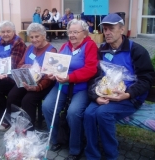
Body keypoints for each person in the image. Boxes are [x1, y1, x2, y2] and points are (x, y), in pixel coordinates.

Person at [84, 13, 155, 160]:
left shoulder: (137, 50)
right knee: (89, 113)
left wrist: (128, 94)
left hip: (130, 98)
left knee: (103, 114)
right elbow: (95, 77)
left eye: (111, 28)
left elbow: (147, 78)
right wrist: (96, 96)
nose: (107, 32)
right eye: (105, 29)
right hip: (106, 95)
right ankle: (92, 155)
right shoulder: (102, 49)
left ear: (122, 30)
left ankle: (111, 156)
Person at [42, 19, 98, 160]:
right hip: (62, 85)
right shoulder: (65, 46)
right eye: (70, 32)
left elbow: (91, 69)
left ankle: (75, 148)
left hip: (81, 87)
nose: (72, 35)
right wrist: (52, 74)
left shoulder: (90, 46)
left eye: (75, 32)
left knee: (73, 113)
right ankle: (55, 139)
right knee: (47, 106)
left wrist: (70, 77)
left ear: (84, 33)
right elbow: (57, 66)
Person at [0, 23, 57, 131]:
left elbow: (49, 78)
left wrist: (36, 87)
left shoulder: (51, 50)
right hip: (27, 79)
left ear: (44, 36)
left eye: (37, 36)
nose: (34, 40)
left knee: (28, 100)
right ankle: (15, 122)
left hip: (43, 83)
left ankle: (28, 130)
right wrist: (25, 66)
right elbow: (20, 65)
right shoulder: (30, 48)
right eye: (31, 37)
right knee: (12, 96)